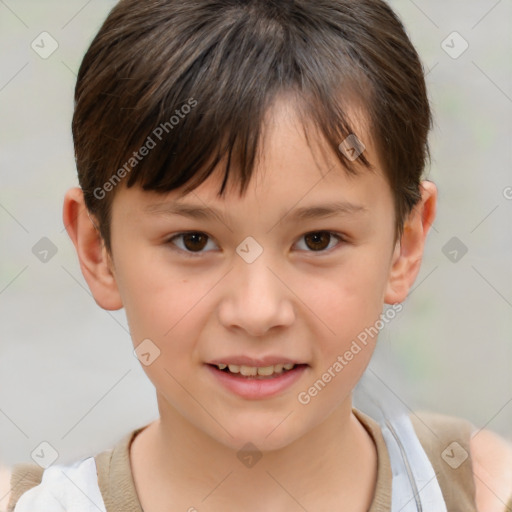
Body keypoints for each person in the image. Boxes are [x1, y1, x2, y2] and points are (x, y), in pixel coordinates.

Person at [2, 0, 512, 510]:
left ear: (406, 244)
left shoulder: (479, 489)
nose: (257, 311)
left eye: (318, 240)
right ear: (98, 251)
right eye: (193, 241)